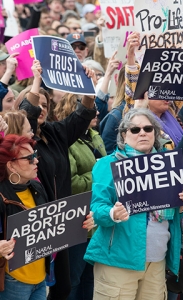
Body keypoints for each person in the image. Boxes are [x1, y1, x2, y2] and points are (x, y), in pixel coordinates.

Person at [85, 101, 183, 299]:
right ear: (124, 135)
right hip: (118, 262)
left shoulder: (167, 164)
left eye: (148, 128)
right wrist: (113, 213)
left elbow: (171, 209)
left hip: (157, 262)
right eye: (135, 129)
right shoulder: (108, 164)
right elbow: (97, 209)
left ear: (155, 133)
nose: (142, 133)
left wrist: (182, 204)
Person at [15, 60, 96, 300]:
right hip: (37, 224)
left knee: (63, 287)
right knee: (38, 286)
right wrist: (37, 80)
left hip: (61, 221)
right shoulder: (20, 142)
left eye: (44, 105)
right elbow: (27, 115)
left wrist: (87, 88)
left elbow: (82, 116)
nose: (40, 109)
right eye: (36, 104)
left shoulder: (54, 132)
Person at [54, 93, 106, 300]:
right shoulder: (66, 141)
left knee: (90, 280)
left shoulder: (94, 135)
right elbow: (72, 183)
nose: (98, 112)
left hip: (97, 221)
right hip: (76, 222)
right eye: (91, 108)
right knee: (73, 281)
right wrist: (101, 177)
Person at [0, 134, 47, 299]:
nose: (36, 161)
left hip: (41, 278)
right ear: (11, 166)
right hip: (13, 280)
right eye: (29, 158)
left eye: (35, 155)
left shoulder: (36, 186)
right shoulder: (1, 196)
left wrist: (81, 222)